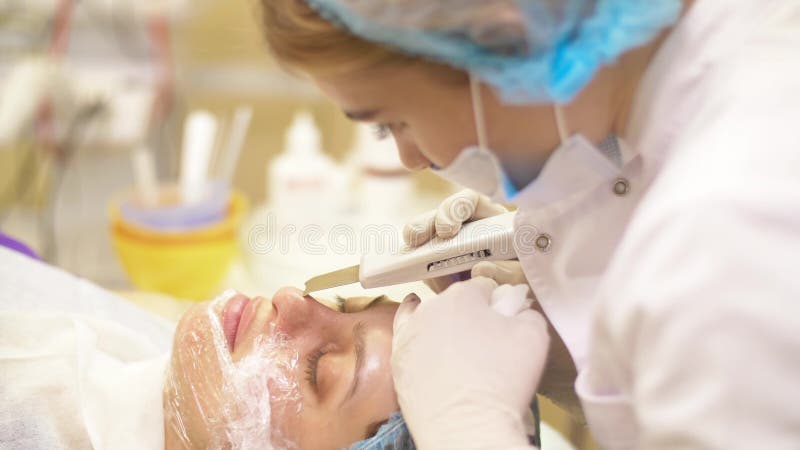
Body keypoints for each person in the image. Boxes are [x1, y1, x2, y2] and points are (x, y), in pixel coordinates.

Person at [258, 0, 800, 448]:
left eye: (393, 122)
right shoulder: (719, 59)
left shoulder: (729, 238)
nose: (411, 158)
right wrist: (568, 335)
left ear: (500, 35)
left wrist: (468, 425)